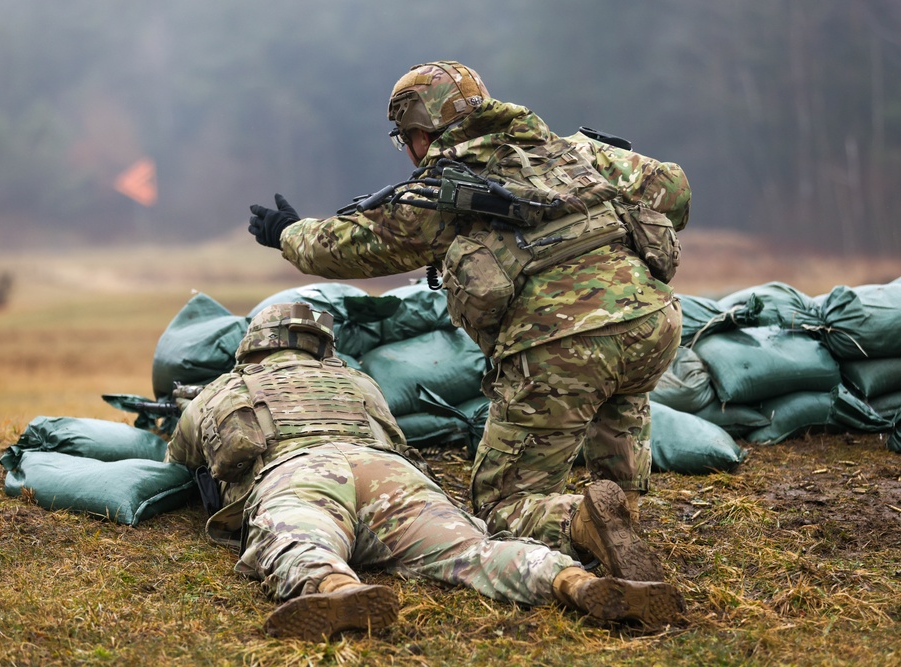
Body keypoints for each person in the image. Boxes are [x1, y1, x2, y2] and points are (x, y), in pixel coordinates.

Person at [247, 61, 690, 570]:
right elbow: (675, 192)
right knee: (620, 405)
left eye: (406, 138)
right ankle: (621, 518)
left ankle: (582, 523)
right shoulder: (575, 150)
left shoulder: (446, 190)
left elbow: (350, 247)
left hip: (560, 345)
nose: (410, 151)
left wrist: (287, 232)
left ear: (420, 130)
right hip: (653, 322)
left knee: (503, 507)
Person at [165, 302, 685, 642]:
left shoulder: (224, 390)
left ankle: (334, 590)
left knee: (299, 537)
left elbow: (178, 459)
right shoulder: (359, 382)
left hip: (299, 472)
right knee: (472, 552)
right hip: (389, 473)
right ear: (322, 347)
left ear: (254, 344)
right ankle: (572, 580)